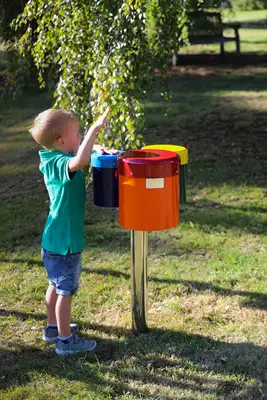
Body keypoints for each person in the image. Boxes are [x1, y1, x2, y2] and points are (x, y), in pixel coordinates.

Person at [30, 107, 112, 355]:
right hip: (65, 242)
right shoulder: (60, 163)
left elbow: (78, 154)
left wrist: (95, 148)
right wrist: (95, 132)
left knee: (54, 285)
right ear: (61, 141)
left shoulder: (51, 158)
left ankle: (52, 328)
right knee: (65, 291)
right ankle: (65, 341)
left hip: (54, 239)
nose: (80, 137)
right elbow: (79, 160)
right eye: (78, 133)